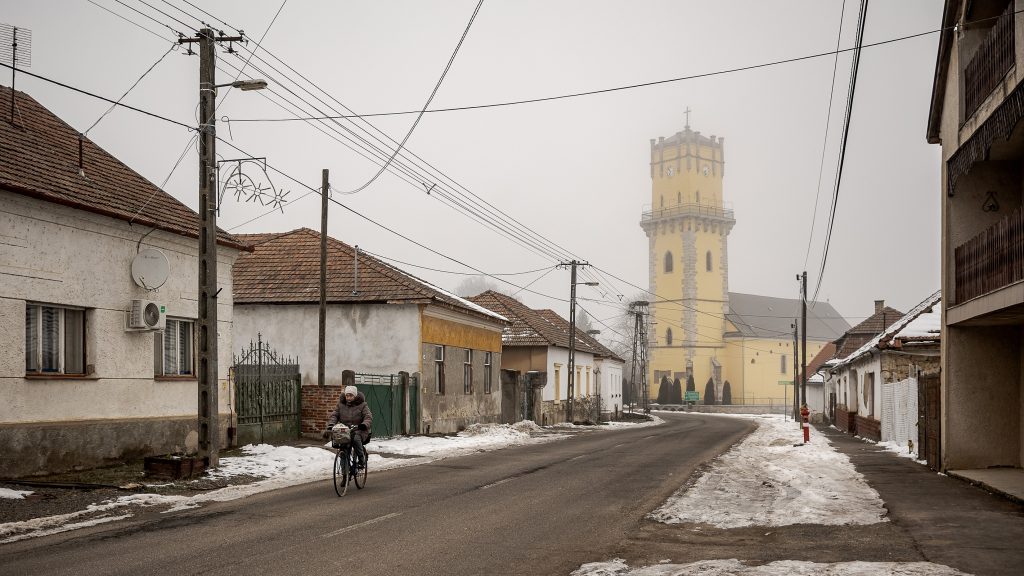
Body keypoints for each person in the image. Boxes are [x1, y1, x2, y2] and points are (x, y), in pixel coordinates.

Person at [322, 385, 373, 469]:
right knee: (343, 447)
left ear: (355, 396)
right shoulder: (340, 405)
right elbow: (334, 415)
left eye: (351, 395)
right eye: (347, 395)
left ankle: (361, 459)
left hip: (359, 429)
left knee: (355, 439)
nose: (348, 398)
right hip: (344, 430)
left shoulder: (363, 405)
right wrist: (331, 424)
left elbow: (368, 416)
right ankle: (344, 473)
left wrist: (364, 425)